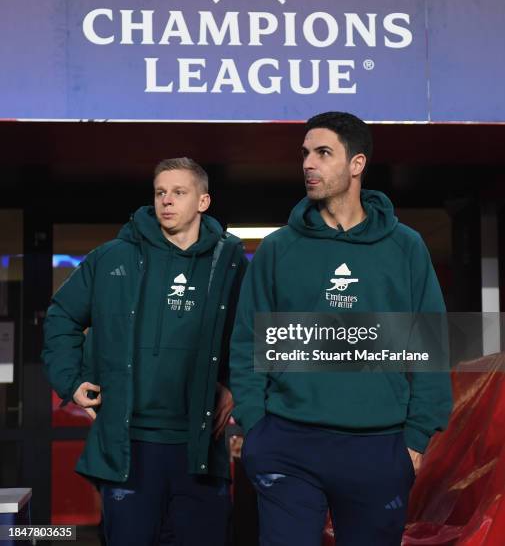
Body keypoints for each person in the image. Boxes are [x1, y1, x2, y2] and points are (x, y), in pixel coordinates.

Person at [230, 112, 453, 546]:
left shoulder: (405, 247)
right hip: (287, 442)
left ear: (357, 164)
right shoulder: (278, 248)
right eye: (305, 154)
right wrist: (256, 428)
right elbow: (246, 342)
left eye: (323, 153)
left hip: (379, 448)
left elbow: (428, 343)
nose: (308, 164)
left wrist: (416, 438)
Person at [43, 157, 248, 546]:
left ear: (203, 201)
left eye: (179, 192)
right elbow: (62, 316)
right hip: (129, 447)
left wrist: (235, 387)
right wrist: (71, 381)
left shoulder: (231, 263)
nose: (166, 201)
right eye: (160, 192)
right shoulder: (111, 258)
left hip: (198, 446)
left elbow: (252, 334)